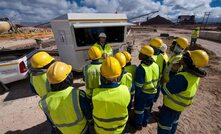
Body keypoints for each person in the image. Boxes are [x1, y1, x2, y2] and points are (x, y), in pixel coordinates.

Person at [158, 50, 209, 134]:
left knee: (164, 128)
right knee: (173, 124)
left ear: (188, 62)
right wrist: (175, 72)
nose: (181, 58)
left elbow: (164, 90)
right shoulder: (194, 75)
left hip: (171, 108)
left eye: (184, 57)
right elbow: (177, 86)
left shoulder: (182, 78)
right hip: (179, 107)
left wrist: (169, 75)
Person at [39, 62, 93, 134]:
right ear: (69, 78)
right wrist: (91, 121)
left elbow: (51, 121)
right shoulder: (78, 95)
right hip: (82, 130)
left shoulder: (44, 101)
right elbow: (87, 112)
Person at [92, 57, 130, 133]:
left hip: (101, 130)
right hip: (120, 129)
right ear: (119, 75)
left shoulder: (95, 93)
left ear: (101, 75)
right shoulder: (125, 90)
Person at [134, 45, 160, 130]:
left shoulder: (141, 68)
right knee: (148, 108)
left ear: (145, 56)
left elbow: (138, 86)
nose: (139, 54)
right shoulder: (156, 65)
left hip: (143, 94)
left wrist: (136, 96)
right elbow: (158, 80)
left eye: (141, 53)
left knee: (139, 110)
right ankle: (145, 122)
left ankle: (138, 125)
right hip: (153, 93)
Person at [149, 38, 167, 103]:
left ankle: (152, 101)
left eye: (151, 46)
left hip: (154, 79)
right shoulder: (161, 56)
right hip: (154, 78)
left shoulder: (161, 57)